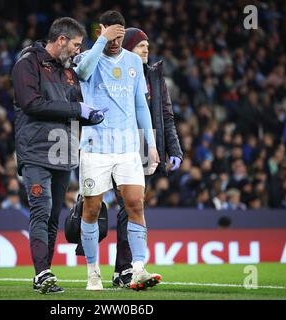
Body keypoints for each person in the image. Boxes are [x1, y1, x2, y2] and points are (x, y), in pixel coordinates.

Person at [11, 17, 105, 294]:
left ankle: (43, 274)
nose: (78, 51)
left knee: (53, 217)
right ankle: (42, 273)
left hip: (64, 152)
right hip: (36, 151)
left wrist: (92, 116)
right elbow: (33, 104)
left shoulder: (68, 72)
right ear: (61, 40)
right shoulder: (27, 63)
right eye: (76, 45)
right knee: (40, 211)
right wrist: (79, 111)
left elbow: (74, 107)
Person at [74, 11, 161, 291]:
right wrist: (102, 40)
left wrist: (151, 143)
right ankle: (92, 274)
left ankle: (138, 269)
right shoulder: (87, 57)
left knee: (136, 205)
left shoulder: (134, 62)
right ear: (101, 31)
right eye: (111, 35)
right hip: (95, 148)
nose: (115, 42)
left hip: (127, 150)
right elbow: (81, 73)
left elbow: (140, 106)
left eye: (120, 37)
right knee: (92, 209)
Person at [111, 28, 184, 288]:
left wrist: (173, 150)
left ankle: (125, 269)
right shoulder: (115, 72)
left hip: (146, 148)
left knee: (131, 208)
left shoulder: (154, 76)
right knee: (123, 208)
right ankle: (122, 269)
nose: (146, 49)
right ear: (128, 49)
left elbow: (166, 115)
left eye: (147, 45)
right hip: (117, 144)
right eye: (141, 45)